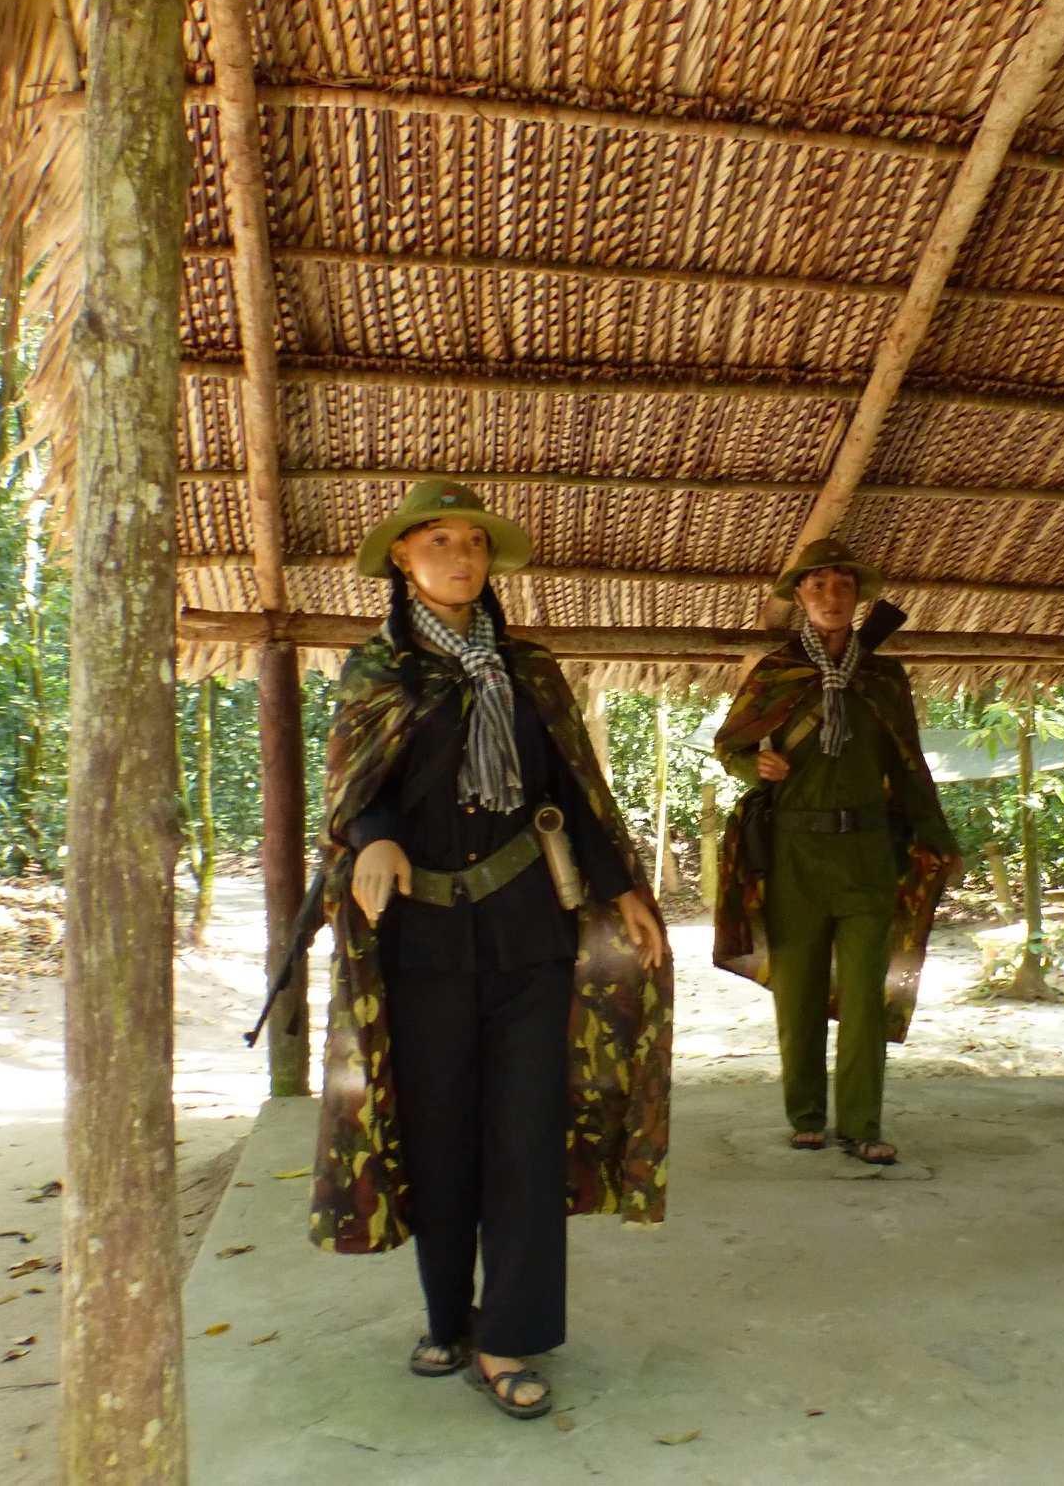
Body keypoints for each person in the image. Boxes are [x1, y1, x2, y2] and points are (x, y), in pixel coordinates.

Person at [307, 479, 671, 1421]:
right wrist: (375, 833)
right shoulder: (376, 672)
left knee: (521, 1135)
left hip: (528, 933)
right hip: (421, 939)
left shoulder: (530, 667)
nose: (459, 556)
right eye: (438, 541)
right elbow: (354, 789)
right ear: (402, 558)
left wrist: (625, 888)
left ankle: (508, 1335)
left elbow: (574, 789)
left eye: (472, 541)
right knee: (439, 1136)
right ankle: (446, 1315)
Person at [713, 538, 960, 1166]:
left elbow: (908, 766)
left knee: (863, 995)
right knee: (795, 992)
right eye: (816, 585)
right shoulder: (774, 672)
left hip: (869, 853)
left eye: (841, 585)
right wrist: (753, 764)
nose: (829, 596)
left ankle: (862, 1123)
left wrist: (937, 839)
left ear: (857, 597)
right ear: (799, 596)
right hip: (793, 851)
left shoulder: (883, 675)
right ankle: (806, 1115)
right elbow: (730, 745)